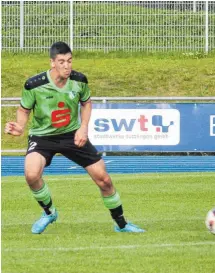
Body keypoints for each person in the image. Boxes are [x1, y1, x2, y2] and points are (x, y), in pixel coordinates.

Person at [4, 42, 145, 234]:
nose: (66, 66)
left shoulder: (80, 81)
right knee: (31, 174)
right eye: (61, 61)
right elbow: (24, 109)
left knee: (104, 180)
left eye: (69, 61)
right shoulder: (34, 84)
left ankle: (122, 224)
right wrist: (19, 126)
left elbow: (86, 104)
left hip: (72, 135)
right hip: (42, 136)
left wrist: (83, 128)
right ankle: (49, 212)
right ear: (52, 63)